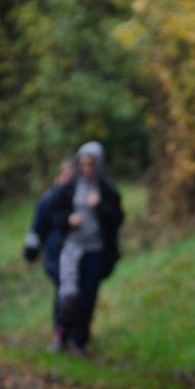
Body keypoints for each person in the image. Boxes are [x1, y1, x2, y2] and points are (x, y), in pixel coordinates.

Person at [53, 141, 124, 355]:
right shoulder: (69, 187)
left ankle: (79, 341)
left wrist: (100, 205)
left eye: (91, 164)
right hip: (72, 248)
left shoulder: (107, 189)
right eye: (83, 164)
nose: (87, 169)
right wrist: (68, 220)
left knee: (88, 297)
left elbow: (117, 219)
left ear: (98, 165)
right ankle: (61, 335)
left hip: (96, 250)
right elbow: (54, 216)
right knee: (68, 295)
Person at [23, 158, 76, 348]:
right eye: (67, 174)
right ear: (61, 174)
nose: (70, 179)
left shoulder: (78, 197)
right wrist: (30, 251)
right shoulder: (50, 198)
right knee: (64, 291)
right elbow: (37, 225)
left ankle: (71, 335)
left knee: (71, 293)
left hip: (73, 253)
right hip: (54, 253)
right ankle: (60, 334)